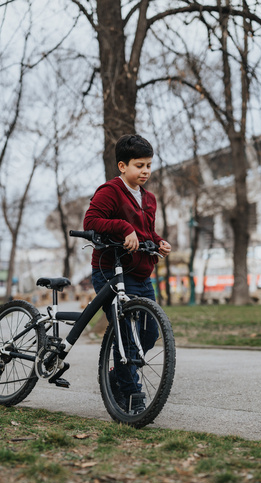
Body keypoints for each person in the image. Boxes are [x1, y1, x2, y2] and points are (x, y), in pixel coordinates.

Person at [83, 134, 171, 412]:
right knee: (126, 332)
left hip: (140, 273)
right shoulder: (110, 191)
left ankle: (115, 374)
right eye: (139, 165)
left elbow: (146, 231)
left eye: (148, 165)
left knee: (149, 333)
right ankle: (129, 391)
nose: (145, 171)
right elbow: (91, 221)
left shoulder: (150, 198)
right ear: (122, 166)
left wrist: (158, 242)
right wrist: (123, 228)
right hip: (111, 270)